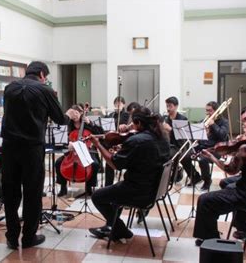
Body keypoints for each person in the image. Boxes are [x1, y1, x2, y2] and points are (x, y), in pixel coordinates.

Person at [1, 61, 79, 249]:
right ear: (42, 74)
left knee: (10, 193)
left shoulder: (10, 88)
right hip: (31, 149)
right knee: (32, 192)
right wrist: (69, 114)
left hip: (9, 147)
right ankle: (28, 237)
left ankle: (12, 236)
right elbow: (60, 119)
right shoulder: (45, 90)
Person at [193, 114, 246, 245]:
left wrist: (212, 157)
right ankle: (242, 226)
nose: (244, 125)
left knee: (205, 200)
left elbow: (230, 170)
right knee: (228, 187)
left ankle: (208, 238)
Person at [88, 107, 170, 240]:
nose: (130, 125)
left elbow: (115, 165)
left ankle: (120, 229)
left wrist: (98, 144)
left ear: (138, 123)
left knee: (97, 196)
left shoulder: (137, 140)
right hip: (155, 189)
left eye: (133, 122)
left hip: (138, 191)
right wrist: (124, 151)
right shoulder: (162, 137)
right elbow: (144, 158)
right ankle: (112, 226)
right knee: (114, 191)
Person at [55, 104, 104, 197]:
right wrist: (67, 144)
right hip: (72, 152)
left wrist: (90, 123)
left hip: (87, 151)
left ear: (81, 113)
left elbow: (101, 133)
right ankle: (63, 187)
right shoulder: (68, 124)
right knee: (58, 162)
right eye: (73, 113)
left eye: (77, 113)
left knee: (94, 164)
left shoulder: (87, 122)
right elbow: (61, 137)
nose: (75, 116)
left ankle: (89, 187)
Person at [183, 101, 229, 191]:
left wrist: (213, 125)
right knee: (184, 156)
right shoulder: (203, 121)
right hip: (201, 147)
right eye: (206, 111)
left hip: (216, 149)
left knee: (202, 159)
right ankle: (195, 177)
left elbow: (223, 136)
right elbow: (194, 137)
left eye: (210, 111)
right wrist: (199, 134)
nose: (207, 113)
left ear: (217, 111)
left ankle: (207, 181)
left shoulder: (224, 122)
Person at [218, 105, 246, 189]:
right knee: (223, 182)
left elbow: (233, 170)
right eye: (242, 121)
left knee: (228, 187)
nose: (244, 124)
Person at [104, 96, 130, 186]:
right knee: (108, 160)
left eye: (120, 103)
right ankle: (108, 185)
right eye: (116, 103)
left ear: (124, 104)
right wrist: (104, 115)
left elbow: (121, 124)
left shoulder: (126, 115)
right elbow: (105, 126)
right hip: (111, 142)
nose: (117, 105)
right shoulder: (111, 115)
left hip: (122, 142)